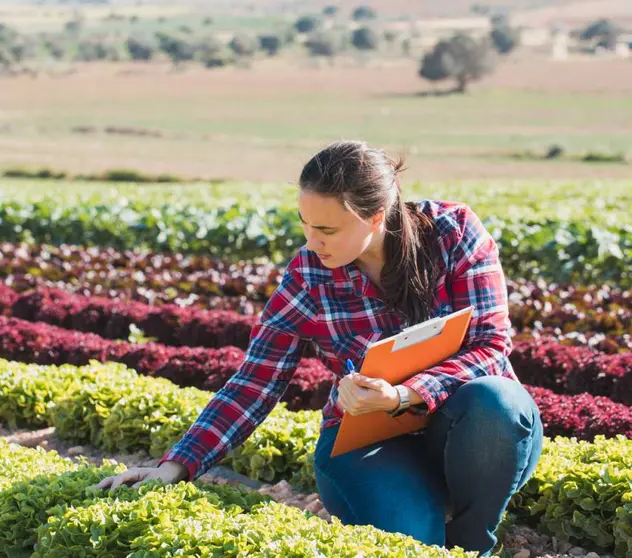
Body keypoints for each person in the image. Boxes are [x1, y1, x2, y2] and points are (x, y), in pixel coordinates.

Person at [94, 140, 543, 556]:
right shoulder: (308, 276)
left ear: (375, 215)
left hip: (473, 429)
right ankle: (417, 507)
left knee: (497, 400)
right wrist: (175, 466)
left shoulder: (453, 233)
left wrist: (406, 394)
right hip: (369, 443)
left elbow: (489, 345)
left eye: (326, 228)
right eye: (305, 225)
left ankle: (471, 543)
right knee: (413, 545)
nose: (312, 242)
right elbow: (254, 382)